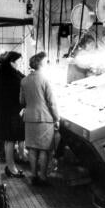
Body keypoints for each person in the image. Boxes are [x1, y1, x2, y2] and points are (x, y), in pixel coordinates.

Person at [19, 52, 60, 186]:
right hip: (44, 119)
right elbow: (52, 102)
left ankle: (33, 175)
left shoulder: (24, 80)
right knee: (43, 149)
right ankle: (42, 177)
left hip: (29, 118)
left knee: (32, 148)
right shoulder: (45, 80)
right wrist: (57, 118)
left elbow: (22, 100)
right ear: (42, 64)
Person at [0, 51, 26, 178]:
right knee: (10, 140)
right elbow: (19, 91)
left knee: (10, 140)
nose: (20, 64)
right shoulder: (11, 76)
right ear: (12, 62)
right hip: (11, 112)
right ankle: (12, 167)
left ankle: (12, 165)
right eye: (18, 61)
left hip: (5, 111)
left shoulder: (3, 72)